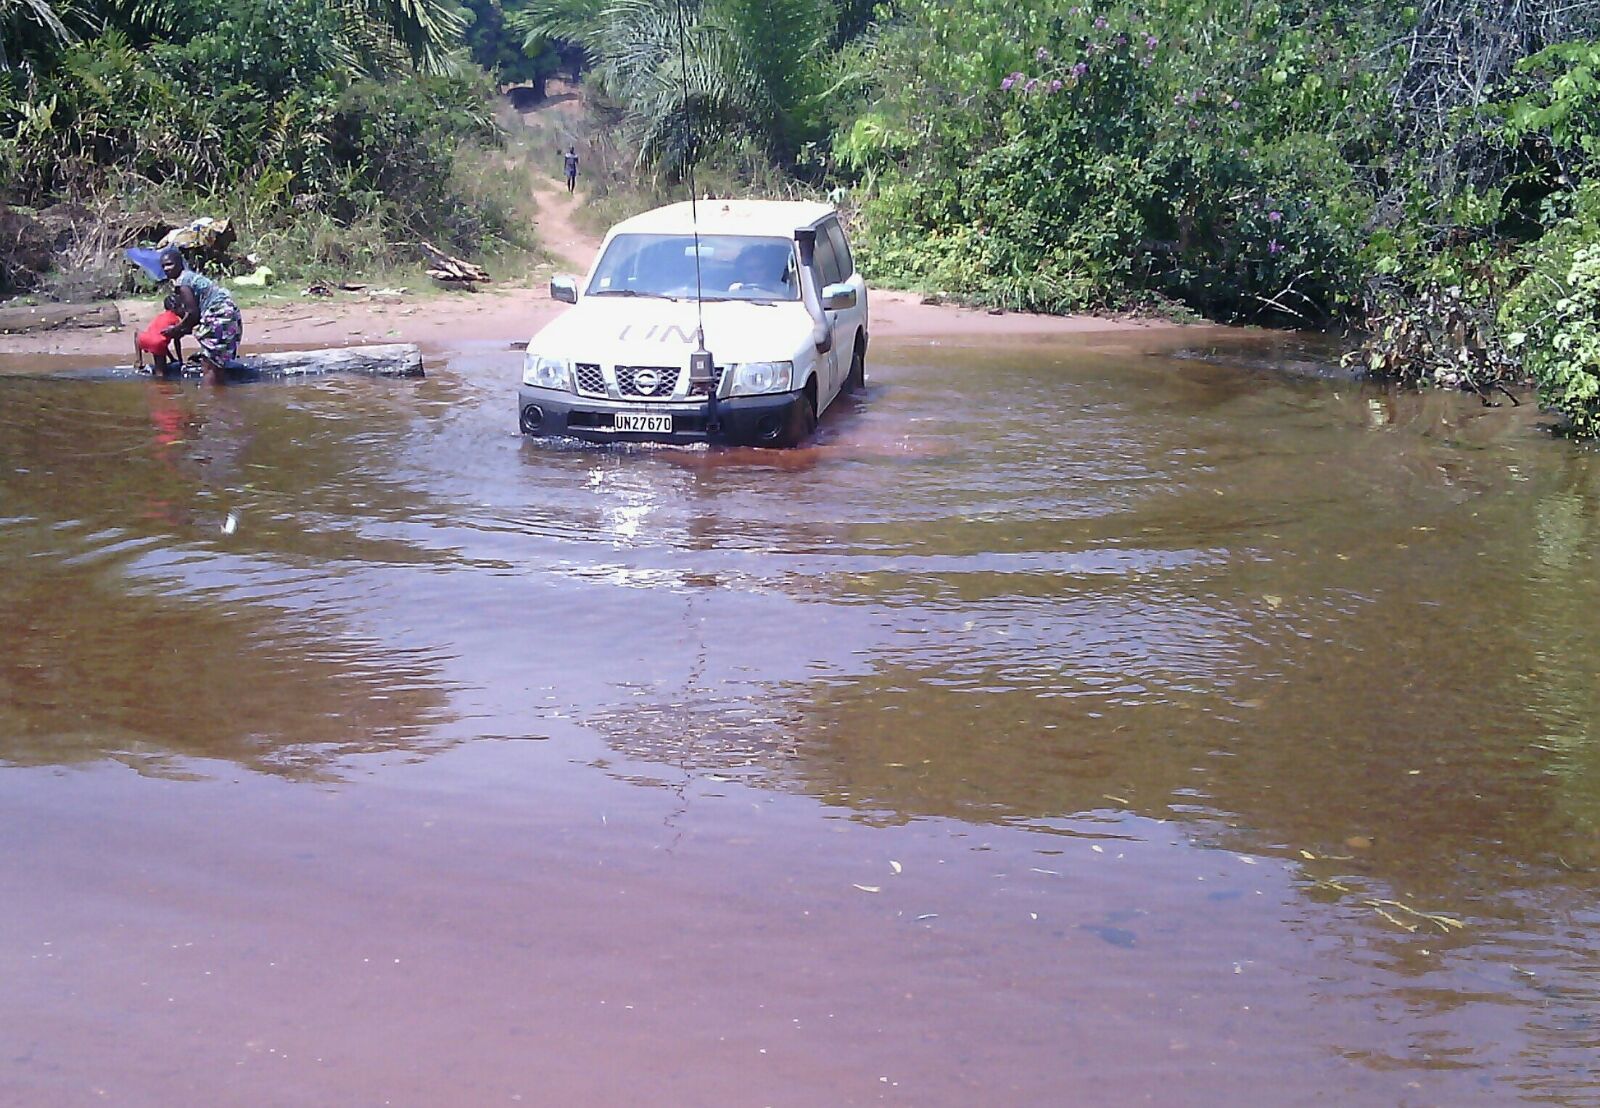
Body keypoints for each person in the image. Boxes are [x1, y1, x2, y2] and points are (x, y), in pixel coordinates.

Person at [158, 246, 243, 381]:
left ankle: (209, 398)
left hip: (219, 314)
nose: (166, 269)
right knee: (216, 363)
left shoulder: (184, 282)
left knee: (208, 364)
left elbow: (193, 314)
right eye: (163, 266)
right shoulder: (189, 278)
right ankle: (217, 396)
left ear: (179, 263)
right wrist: (181, 328)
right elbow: (193, 316)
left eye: (169, 264)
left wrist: (176, 329)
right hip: (228, 313)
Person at [135, 291, 184, 374]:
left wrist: (171, 358)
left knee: (137, 333)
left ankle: (139, 361)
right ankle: (160, 385)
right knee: (161, 374)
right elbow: (176, 342)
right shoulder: (176, 319)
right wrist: (180, 360)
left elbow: (161, 340)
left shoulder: (160, 316)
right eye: (181, 307)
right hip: (157, 343)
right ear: (175, 308)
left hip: (143, 339)